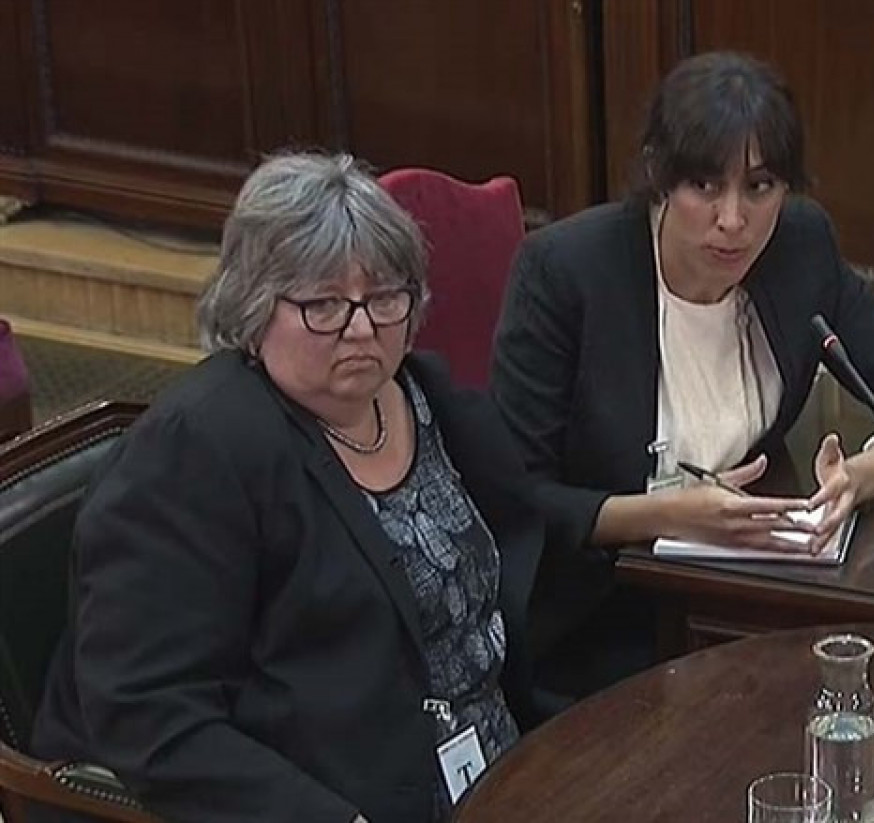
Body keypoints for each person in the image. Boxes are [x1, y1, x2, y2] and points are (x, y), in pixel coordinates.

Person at [32, 153, 543, 823]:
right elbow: (147, 712)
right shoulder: (193, 455)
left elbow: (523, 556)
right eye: (323, 304)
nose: (361, 328)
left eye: (384, 297)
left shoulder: (427, 397)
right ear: (253, 306)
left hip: (503, 769)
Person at [490, 52, 874, 695]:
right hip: (596, 625)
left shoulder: (799, 246)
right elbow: (516, 498)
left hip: (743, 601)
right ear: (659, 174)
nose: (733, 221)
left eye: (760, 187)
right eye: (705, 186)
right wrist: (666, 515)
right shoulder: (567, 272)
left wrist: (860, 477)